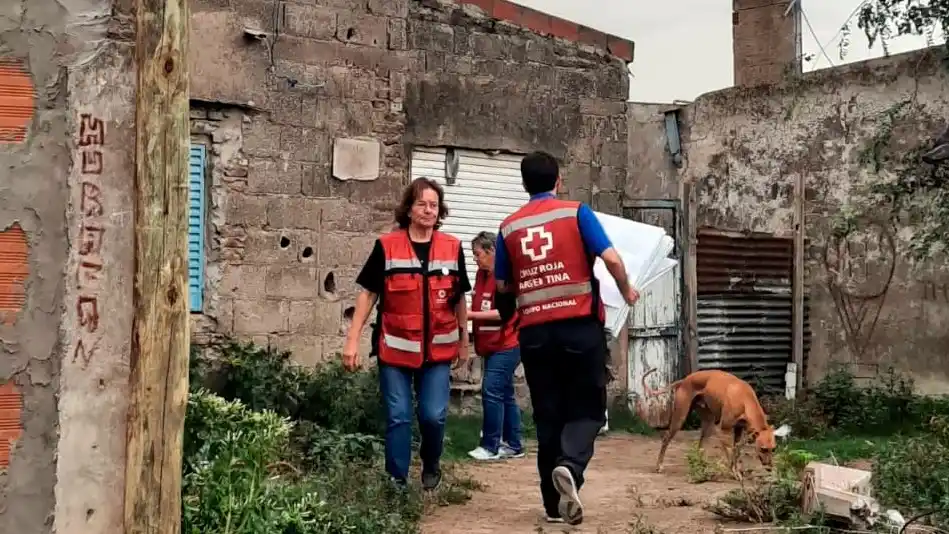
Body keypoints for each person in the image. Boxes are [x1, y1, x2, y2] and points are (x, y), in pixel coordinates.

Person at [494, 151, 639, 525]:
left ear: (524, 185)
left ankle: (552, 505)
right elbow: (611, 259)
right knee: (588, 408)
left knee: (548, 416)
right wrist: (626, 290)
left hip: (535, 335)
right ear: (558, 180)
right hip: (579, 329)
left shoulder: (508, 228)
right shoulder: (576, 213)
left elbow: (502, 286)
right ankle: (571, 468)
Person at [342, 177, 471, 491]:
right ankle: (396, 482)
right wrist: (352, 340)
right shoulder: (387, 246)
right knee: (399, 416)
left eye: (434, 205)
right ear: (409, 209)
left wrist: (464, 342)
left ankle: (431, 464)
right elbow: (368, 294)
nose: (428, 210)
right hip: (395, 350)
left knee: (433, 416)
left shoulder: (452, 247)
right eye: (421, 204)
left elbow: (459, 298)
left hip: (438, 352)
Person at [466, 231, 526, 462]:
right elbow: (480, 299)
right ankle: (514, 444)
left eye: (478, 254)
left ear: (491, 251)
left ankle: (490, 445)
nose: (475, 259)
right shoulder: (481, 275)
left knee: (491, 389)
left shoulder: (506, 276)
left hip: (508, 343)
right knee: (505, 393)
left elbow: (504, 312)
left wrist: (469, 315)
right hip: (490, 344)